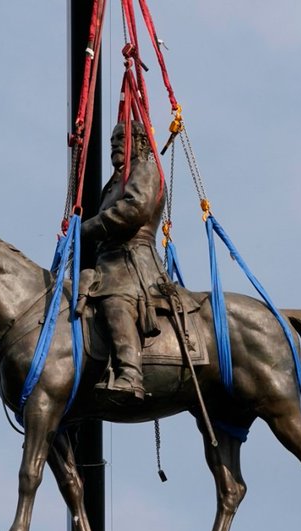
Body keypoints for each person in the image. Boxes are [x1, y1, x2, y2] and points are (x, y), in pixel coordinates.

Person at [81, 120, 166, 401]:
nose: (115, 144)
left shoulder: (145, 168)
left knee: (115, 300)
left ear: (140, 141)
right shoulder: (113, 183)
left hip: (132, 261)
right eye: (112, 140)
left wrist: (88, 227)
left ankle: (130, 374)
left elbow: (134, 209)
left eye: (122, 138)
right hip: (108, 261)